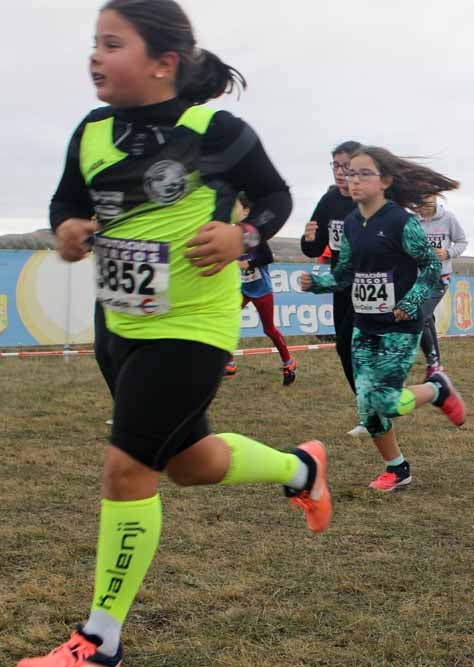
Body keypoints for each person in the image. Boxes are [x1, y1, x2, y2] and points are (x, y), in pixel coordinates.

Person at [25, 2, 331, 665]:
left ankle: (100, 638)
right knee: (190, 463)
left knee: (127, 467)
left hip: (194, 327)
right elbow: (64, 204)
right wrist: (70, 232)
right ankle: (299, 466)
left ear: (164, 63)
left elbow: (276, 197)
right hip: (120, 325)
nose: (95, 57)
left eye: (112, 44)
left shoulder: (216, 130)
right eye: (94, 44)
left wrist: (241, 234)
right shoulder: (92, 130)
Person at [299, 146, 466, 492]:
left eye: (362, 173)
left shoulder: (401, 222)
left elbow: (431, 268)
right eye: (348, 172)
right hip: (365, 324)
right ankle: (397, 468)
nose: (351, 178)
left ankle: (437, 389)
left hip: (400, 325)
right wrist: (317, 283)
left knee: (385, 401)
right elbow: (345, 273)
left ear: (385, 181)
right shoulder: (350, 223)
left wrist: (413, 300)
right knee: (368, 407)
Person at [301, 140, 362, 394]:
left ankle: (375, 407)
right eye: (335, 166)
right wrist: (309, 239)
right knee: (344, 346)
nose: (339, 172)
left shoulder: (371, 200)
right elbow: (314, 249)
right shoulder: (329, 201)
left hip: (373, 282)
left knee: (365, 347)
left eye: (345, 166)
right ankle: (366, 407)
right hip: (341, 283)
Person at [226, 193, 296, 384]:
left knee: (269, 328)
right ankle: (229, 362)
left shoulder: (255, 235)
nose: (233, 210)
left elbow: (267, 258)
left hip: (261, 290)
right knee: (227, 321)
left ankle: (289, 361)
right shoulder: (234, 234)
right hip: (243, 289)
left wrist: (247, 264)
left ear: (246, 211)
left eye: (236, 207)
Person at [414, 194, 468, 377]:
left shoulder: (448, 218)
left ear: (436, 200)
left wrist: (447, 253)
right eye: (420, 204)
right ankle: (436, 365)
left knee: (419, 315)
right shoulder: (412, 219)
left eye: (428, 204)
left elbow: (462, 241)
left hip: (440, 278)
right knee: (426, 318)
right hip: (418, 278)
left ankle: (434, 363)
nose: (424, 209)